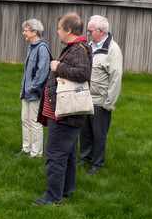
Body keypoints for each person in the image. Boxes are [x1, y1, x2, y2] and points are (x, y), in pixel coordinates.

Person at [33, 13, 92, 205]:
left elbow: (83, 73)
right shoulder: (75, 48)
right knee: (66, 153)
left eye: (59, 28)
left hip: (65, 115)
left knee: (55, 154)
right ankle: (66, 190)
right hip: (65, 114)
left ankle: (53, 196)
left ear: (68, 30)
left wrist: (58, 67)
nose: (57, 31)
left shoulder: (78, 50)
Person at [79, 15, 123, 174]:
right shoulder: (89, 47)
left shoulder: (113, 50)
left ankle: (97, 164)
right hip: (85, 99)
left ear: (101, 31)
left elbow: (116, 77)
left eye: (90, 31)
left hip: (100, 102)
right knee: (84, 132)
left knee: (99, 135)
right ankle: (85, 159)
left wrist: (109, 102)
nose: (88, 33)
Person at [19, 18, 51, 158]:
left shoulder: (42, 49)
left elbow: (41, 74)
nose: (23, 33)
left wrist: (30, 89)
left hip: (36, 94)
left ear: (34, 32)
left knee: (34, 122)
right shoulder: (31, 47)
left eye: (26, 31)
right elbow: (27, 72)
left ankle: (36, 153)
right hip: (26, 93)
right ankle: (26, 148)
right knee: (25, 120)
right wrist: (23, 89)